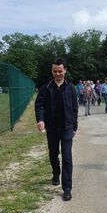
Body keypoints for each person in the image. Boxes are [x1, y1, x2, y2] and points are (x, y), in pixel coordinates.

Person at [35, 58, 78, 201]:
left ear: (65, 70)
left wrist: (74, 126)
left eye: (60, 71)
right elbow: (39, 105)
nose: (58, 74)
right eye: (55, 71)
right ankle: (55, 173)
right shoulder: (45, 88)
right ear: (51, 71)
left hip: (66, 127)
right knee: (53, 154)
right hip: (52, 128)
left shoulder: (71, 88)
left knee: (67, 157)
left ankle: (67, 188)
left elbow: (74, 108)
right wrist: (41, 120)